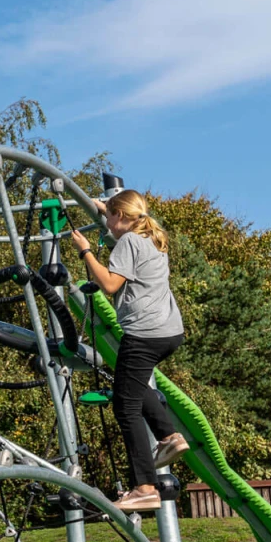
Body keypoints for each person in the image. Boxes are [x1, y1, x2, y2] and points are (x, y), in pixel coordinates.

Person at [70, 189, 189, 511]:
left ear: (120, 217)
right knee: (133, 386)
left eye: (109, 216)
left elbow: (109, 285)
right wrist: (100, 207)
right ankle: (169, 437)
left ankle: (145, 487)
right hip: (168, 332)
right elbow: (115, 224)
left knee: (125, 405)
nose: (105, 223)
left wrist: (84, 251)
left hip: (144, 334)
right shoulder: (150, 237)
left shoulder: (129, 243)